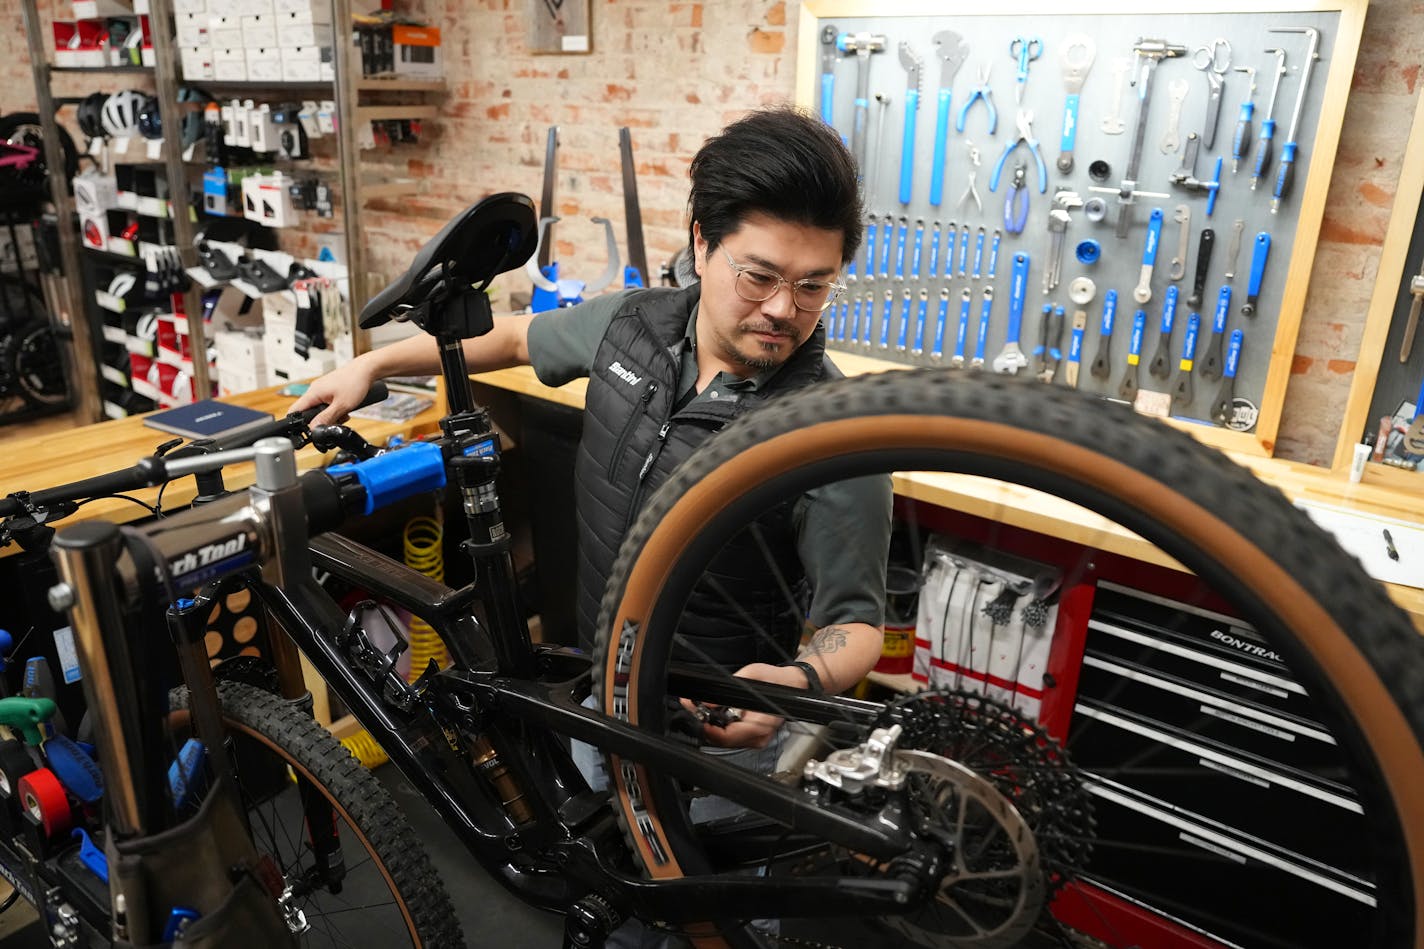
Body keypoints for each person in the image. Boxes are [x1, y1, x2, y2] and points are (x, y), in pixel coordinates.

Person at [294, 106, 893, 751]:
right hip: (596, 691)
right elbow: (518, 338)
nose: (782, 308)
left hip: (716, 740)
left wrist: (799, 680)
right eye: (759, 276)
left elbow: (856, 625)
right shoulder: (633, 324)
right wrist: (373, 362)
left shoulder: (830, 432)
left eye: (813, 285)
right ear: (701, 242)